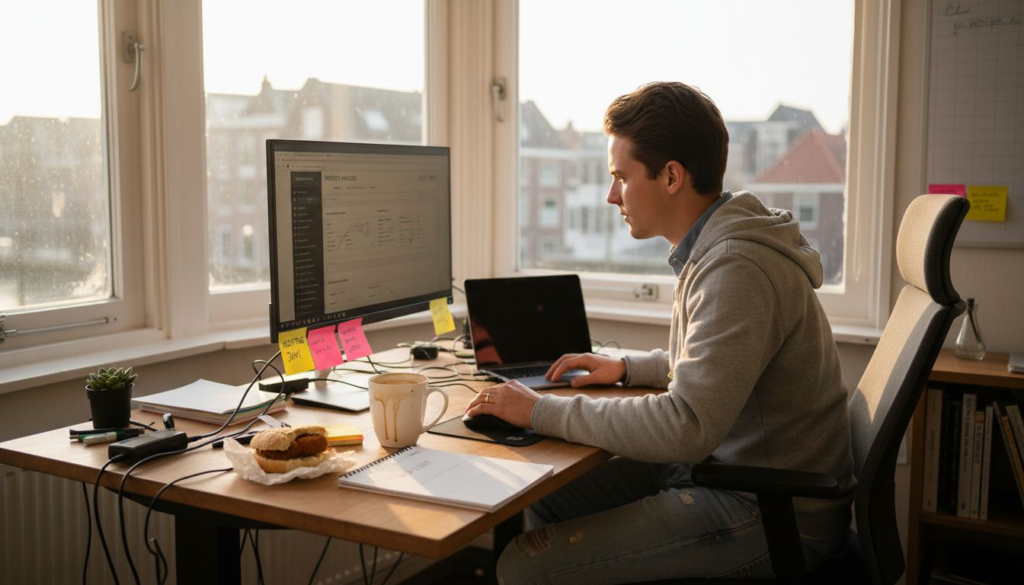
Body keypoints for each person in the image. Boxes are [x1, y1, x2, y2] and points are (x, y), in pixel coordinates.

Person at [465, 82, 855, 583]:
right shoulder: (721, 246)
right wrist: (630, 368)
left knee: (522, 567)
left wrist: (540, 410)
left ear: (671, 176)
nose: (611, 195)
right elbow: (718, 365)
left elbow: (687, 423)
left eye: (621, 178)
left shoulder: (737, 268)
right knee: (548, 489)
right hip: (732, 475)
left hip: (771, 515)